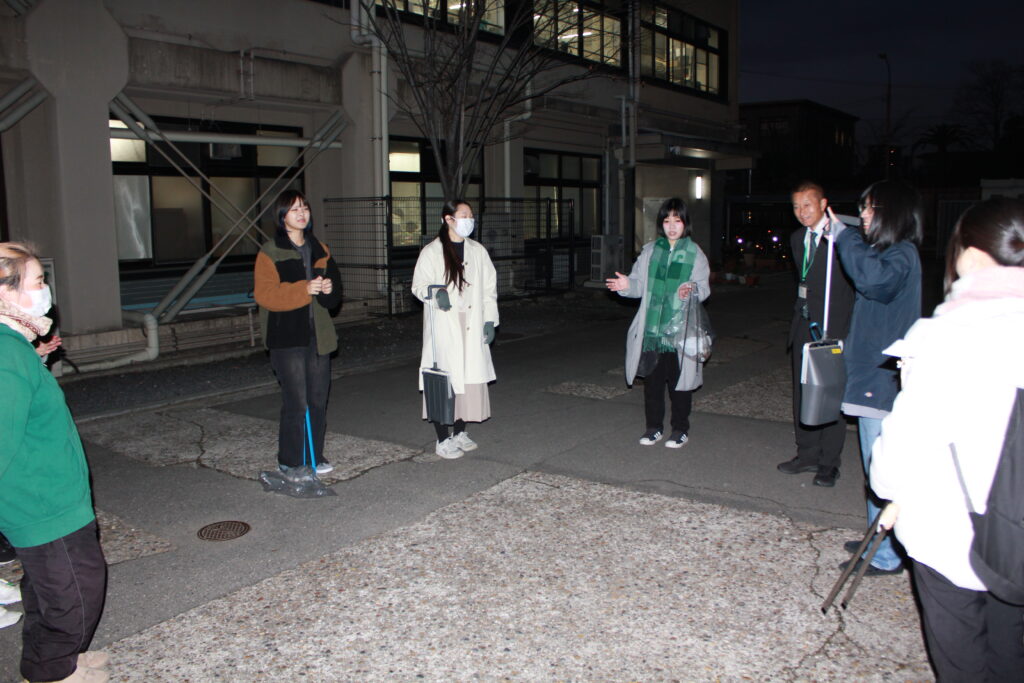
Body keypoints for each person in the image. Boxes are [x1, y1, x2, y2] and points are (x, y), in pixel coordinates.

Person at [871, 197, 1024, 679]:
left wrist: (889, 487)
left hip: (956, 531)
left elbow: (901, 450)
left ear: (971, 255)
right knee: (1012, 651)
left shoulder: (950, 334)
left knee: (964, 659)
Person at [0, 242, 109, 682]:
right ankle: (54, 672)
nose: (46, 290)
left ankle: (52, 658)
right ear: (5, 292)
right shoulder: (6, 353)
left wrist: (36, 359)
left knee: (46, 589)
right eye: (38, 281)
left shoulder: (14, 345)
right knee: (74, 591)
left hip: (49, 496)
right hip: (43, 503)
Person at [827, 179, 922, 576]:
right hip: (875, 375)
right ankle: (877, 539)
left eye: (871, 208)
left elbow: (873, 281)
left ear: (892, 212)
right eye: (862, 207)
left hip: (881, 381)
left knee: (881, 468)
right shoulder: (889, 253)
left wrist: (843, 237)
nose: (863, 215)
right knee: (875, 466)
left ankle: (885, 554)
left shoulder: (900, 254)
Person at [606, 197, 710, 448]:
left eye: (677, 220)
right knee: (652, 385)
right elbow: (638, 285)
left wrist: (691, 290)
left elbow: (704, 288)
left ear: (685, 223)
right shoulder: (650, 251)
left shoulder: (695, 253)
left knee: (680, 385)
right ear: (661, 224)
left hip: (680, 331)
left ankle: (680, 429)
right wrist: (626, 285)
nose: (672, 226)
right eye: (667, 221)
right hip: (652, 331)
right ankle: (653, 428)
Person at [254, 190, 343, 475]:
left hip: (318, 336)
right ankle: (291, 460)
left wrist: (328, 289)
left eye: (304, 207)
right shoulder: (270, 252)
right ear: (282, 217)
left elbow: (334, 297)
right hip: (286, 338)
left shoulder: (320, 249)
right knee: (297, 401)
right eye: (294, 209)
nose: (301, 213)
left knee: (317, 399)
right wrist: (303, 289)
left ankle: (314, 456)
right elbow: (265, 295)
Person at [776, 181, 855, 487]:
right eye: (796, 206)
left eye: (807, 205)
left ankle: (829, 462)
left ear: (823, 204)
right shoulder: (798, 238)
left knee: (829, 393)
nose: (802, 212)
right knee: (804, 392)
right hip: (804, 325)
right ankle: (806, 453)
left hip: (833, 327)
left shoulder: (841, 236)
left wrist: (846, 329)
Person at [411, 199, 499, 459]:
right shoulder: (432, 251)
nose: (469, 219)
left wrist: (489, 321)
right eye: (463, 215)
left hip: (472, 323)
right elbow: (418, 285)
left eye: (470, 215)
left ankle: (460, 432)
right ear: (448, 219)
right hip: (445, 324)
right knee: (443, 381)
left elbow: (489, 289)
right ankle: (442, 439)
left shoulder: (477, 251)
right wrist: (436, 293)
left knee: (468, 382)